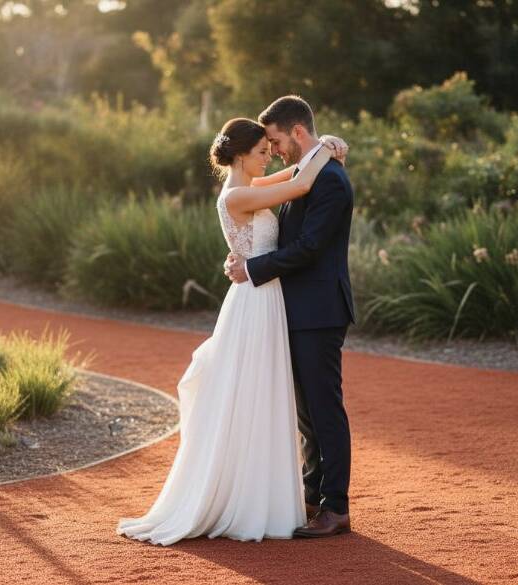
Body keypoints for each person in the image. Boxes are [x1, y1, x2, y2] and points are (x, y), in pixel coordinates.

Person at [116, 114, 349, 545]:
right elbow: (297, 185)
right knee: (257, 395)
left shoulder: (249, 185)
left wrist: (323, 146)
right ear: (242, 155)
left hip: (267, 298)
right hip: (256, 302)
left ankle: (296, 495)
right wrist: (326, 150)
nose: (270, 155)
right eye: (262, 151)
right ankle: (250, 495)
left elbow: (293, 174)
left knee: (273, 397)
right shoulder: (238, 195)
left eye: (271, 147)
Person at [225, 96, 356, 538]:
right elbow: (285, 203)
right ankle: (312, 496)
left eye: (277, 141)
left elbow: (310, 249)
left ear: (297, 132)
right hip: (293, 309)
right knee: (306, 416)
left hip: (319, 311)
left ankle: (336, 507)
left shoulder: (331, 180)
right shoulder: (306, 172)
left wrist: (252, 268)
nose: (275, 149)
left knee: (324, 410)